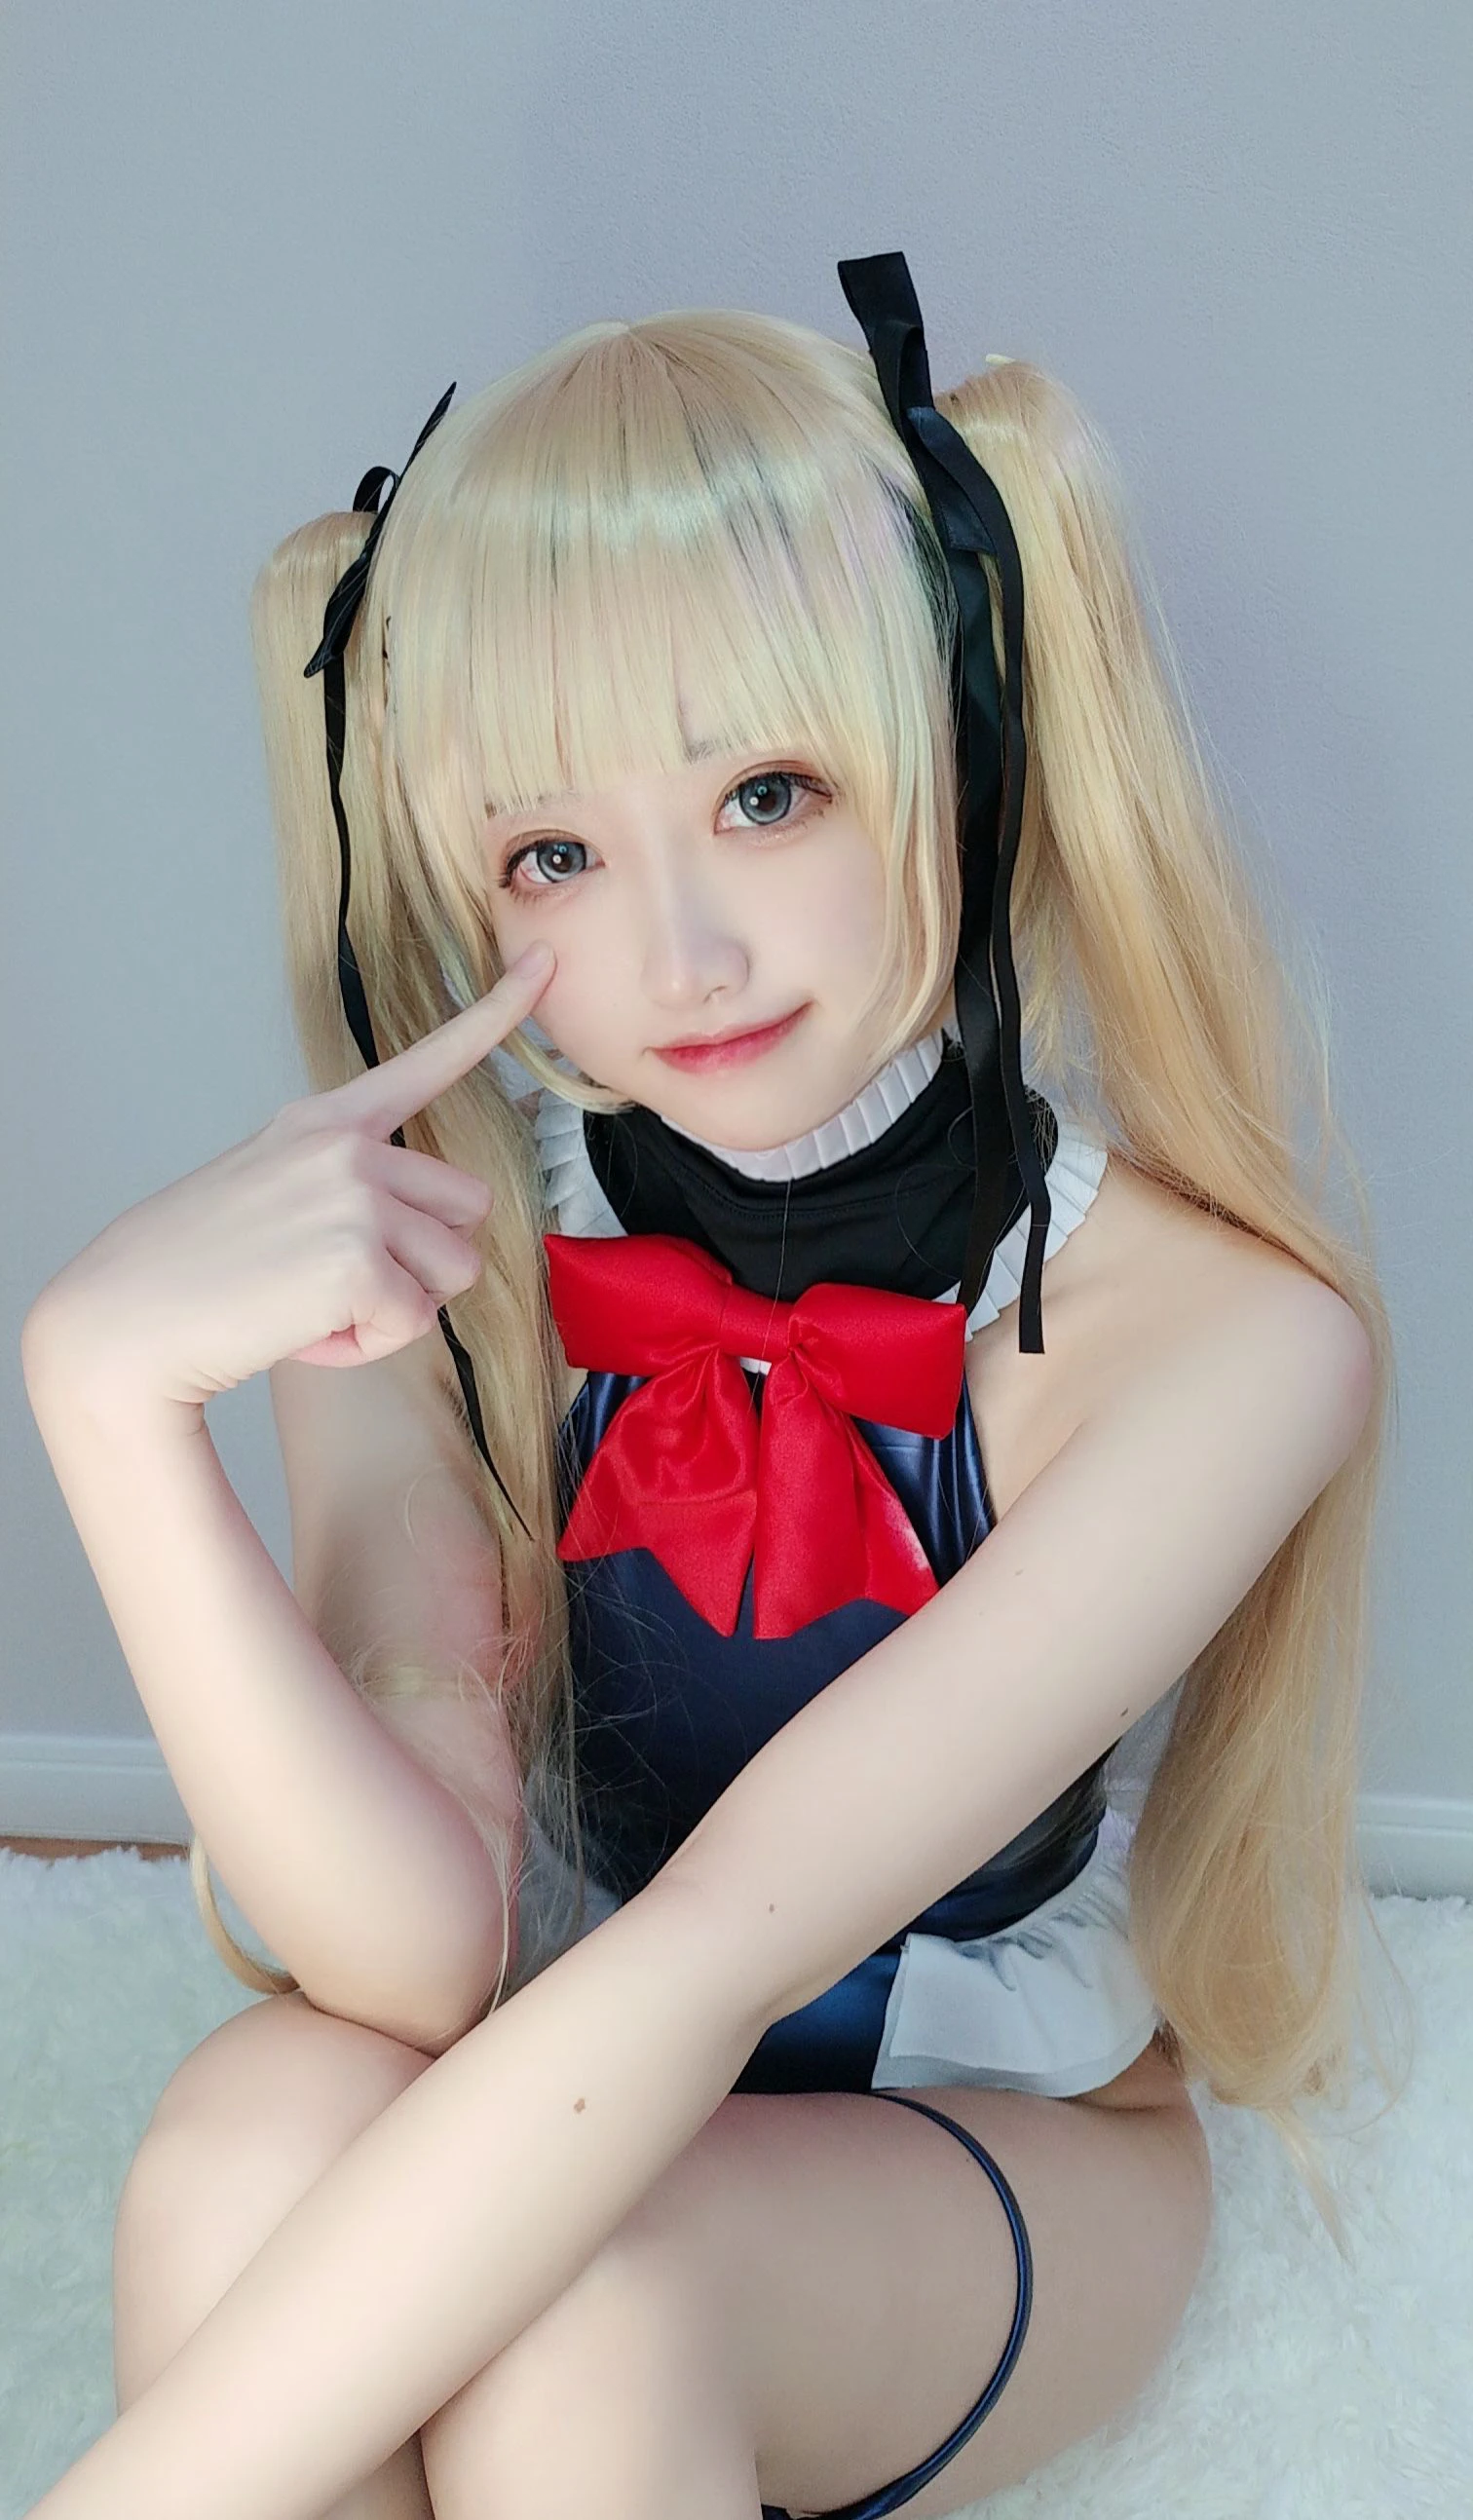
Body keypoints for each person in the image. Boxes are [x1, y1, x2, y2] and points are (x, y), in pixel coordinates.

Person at [19, 254, 1409, 2520]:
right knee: (237, 2149)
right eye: (555, 853)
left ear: (957, 738)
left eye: (769, 793)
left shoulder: (1228, 1344)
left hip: (981, 2144)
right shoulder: (444, 1236)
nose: (678, 951)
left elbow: (709, 1956)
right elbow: (410, 1954)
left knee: (596, 2313)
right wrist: (103, 1404)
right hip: (533, 2055)